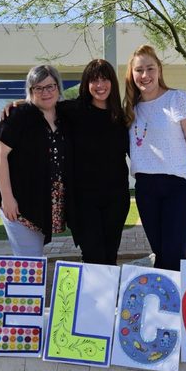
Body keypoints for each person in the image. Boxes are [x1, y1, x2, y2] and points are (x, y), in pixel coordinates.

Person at [124, 44, 186, 271]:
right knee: (160, 255)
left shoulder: (178, 99)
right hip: (146, 189)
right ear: (132, 74)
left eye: (150, 68)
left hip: (178, 188)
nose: (145, 75)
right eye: (139, 70)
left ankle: (184, 304)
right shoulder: (132, 108)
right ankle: (165, 305)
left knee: (174, 256)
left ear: (159, 69)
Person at [0, 64, 68, 256]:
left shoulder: (65, 115)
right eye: (38, 88)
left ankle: (29, 286)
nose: (45, 92)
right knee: (29, 259)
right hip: (19, 201)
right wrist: (8, 198)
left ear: (58, 87)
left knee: (34, 256)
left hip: (43, 201)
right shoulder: (17, 116)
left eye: (50, 86)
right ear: (30, 90)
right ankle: (25, 287)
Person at [59, 59, 130, 265]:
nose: (100, 85)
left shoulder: (122, 117)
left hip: (116, 198)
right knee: (93, 255)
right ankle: (93, 297)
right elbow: (43, 106)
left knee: (110, 256)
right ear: (86, 84)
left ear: (112, 83)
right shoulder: (73, 111)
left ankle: (108, 298)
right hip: (83, 200)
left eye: (105, 79)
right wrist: (17, 104)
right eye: (94, 80)